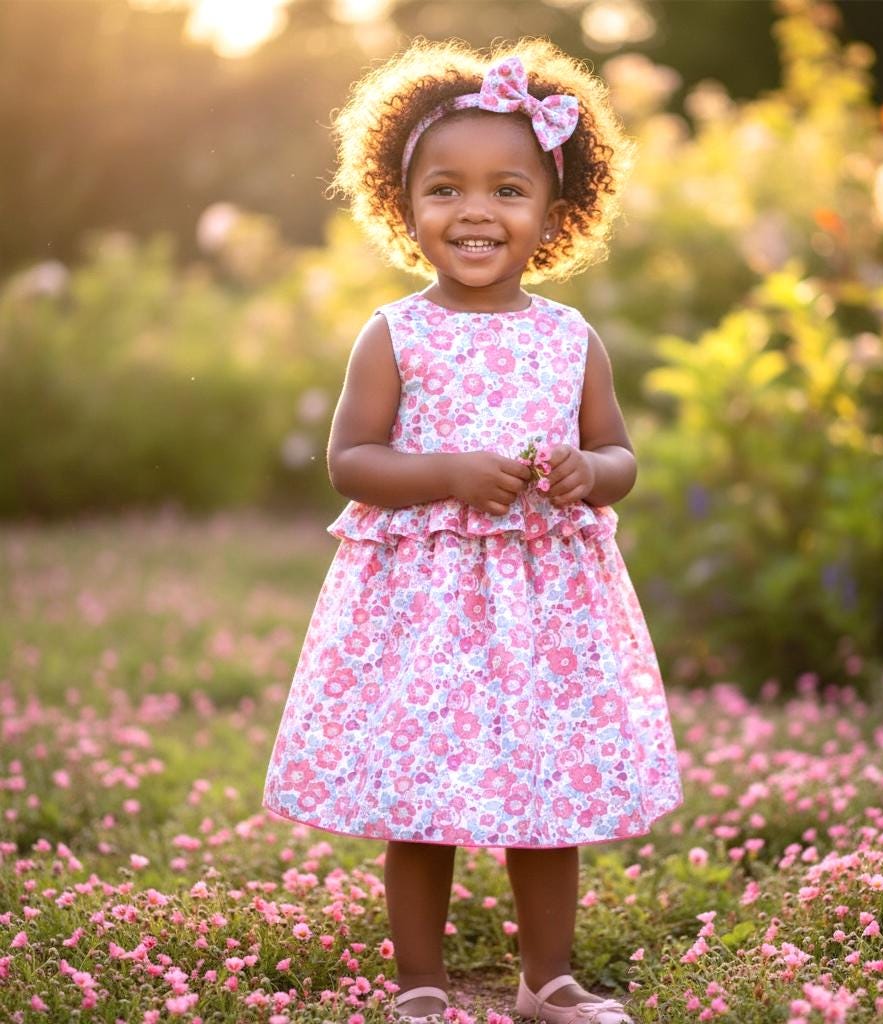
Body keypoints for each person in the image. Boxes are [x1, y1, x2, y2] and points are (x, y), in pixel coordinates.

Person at [262, 37, 683, 1024]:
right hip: (430, 606)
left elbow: (620, 459)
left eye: (508, 189)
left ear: (552, 210)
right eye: (445, 190)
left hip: (545, 607)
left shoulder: (569, 339)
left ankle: (549, 979)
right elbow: (350, 461)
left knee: (547, 798)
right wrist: (446, 473)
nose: (476, 212)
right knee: (423, 799)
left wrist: (589, 474)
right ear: (404, 206)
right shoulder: (395, 332)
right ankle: (418, 984)